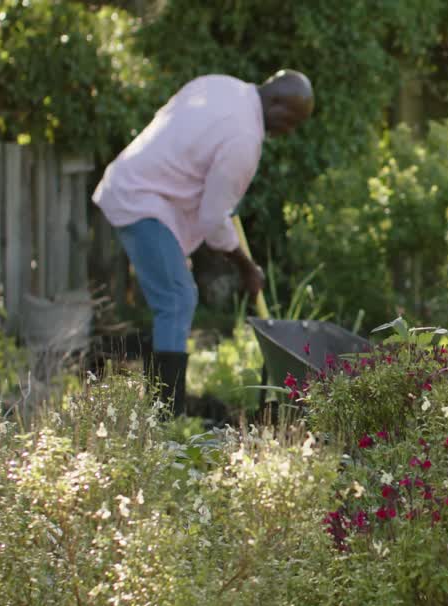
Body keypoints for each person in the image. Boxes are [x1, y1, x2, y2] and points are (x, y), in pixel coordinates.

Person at [93, 69, 314, 415]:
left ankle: (159, 407)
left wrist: (179, 247)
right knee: (177, 300)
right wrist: (246, 266)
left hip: (142, 191)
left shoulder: (221, 86)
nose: (290, 131)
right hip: (142, 199)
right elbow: (213, 220)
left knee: (176, 297)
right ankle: (166, 416)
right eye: (292, 120)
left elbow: (181, 154)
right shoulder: (245, 138)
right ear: (276, 103)